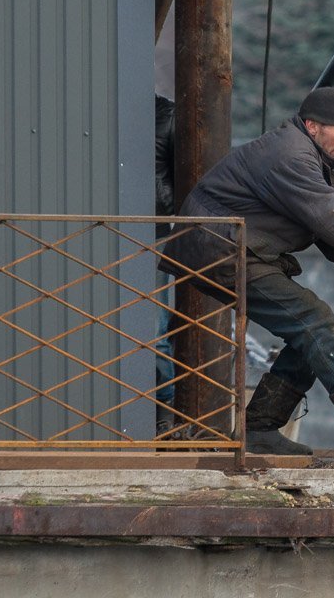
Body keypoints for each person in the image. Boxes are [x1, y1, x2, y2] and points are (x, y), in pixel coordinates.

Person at [161, 87, 334, 456]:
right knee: (314, 322)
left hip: (231, 247)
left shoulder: (311, 154)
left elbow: (328, 235)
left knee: (311, 331)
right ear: (313, 125)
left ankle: (260, 428)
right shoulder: (292, 157)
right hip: (222, 250)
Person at [153, 94, 177, 434]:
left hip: (151, 229)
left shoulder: (167, 115)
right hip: (112, 227)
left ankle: (165, 416)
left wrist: (165, 203)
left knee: (155, 331)